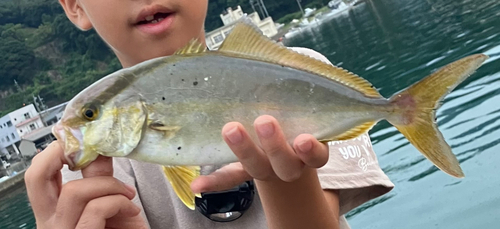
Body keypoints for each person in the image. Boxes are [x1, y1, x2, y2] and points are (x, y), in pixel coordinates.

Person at [24, 0, 394, 228]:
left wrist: (285, 181)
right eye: (90, 114)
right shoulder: (88, 185)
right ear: (74, 5)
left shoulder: (304, 79)